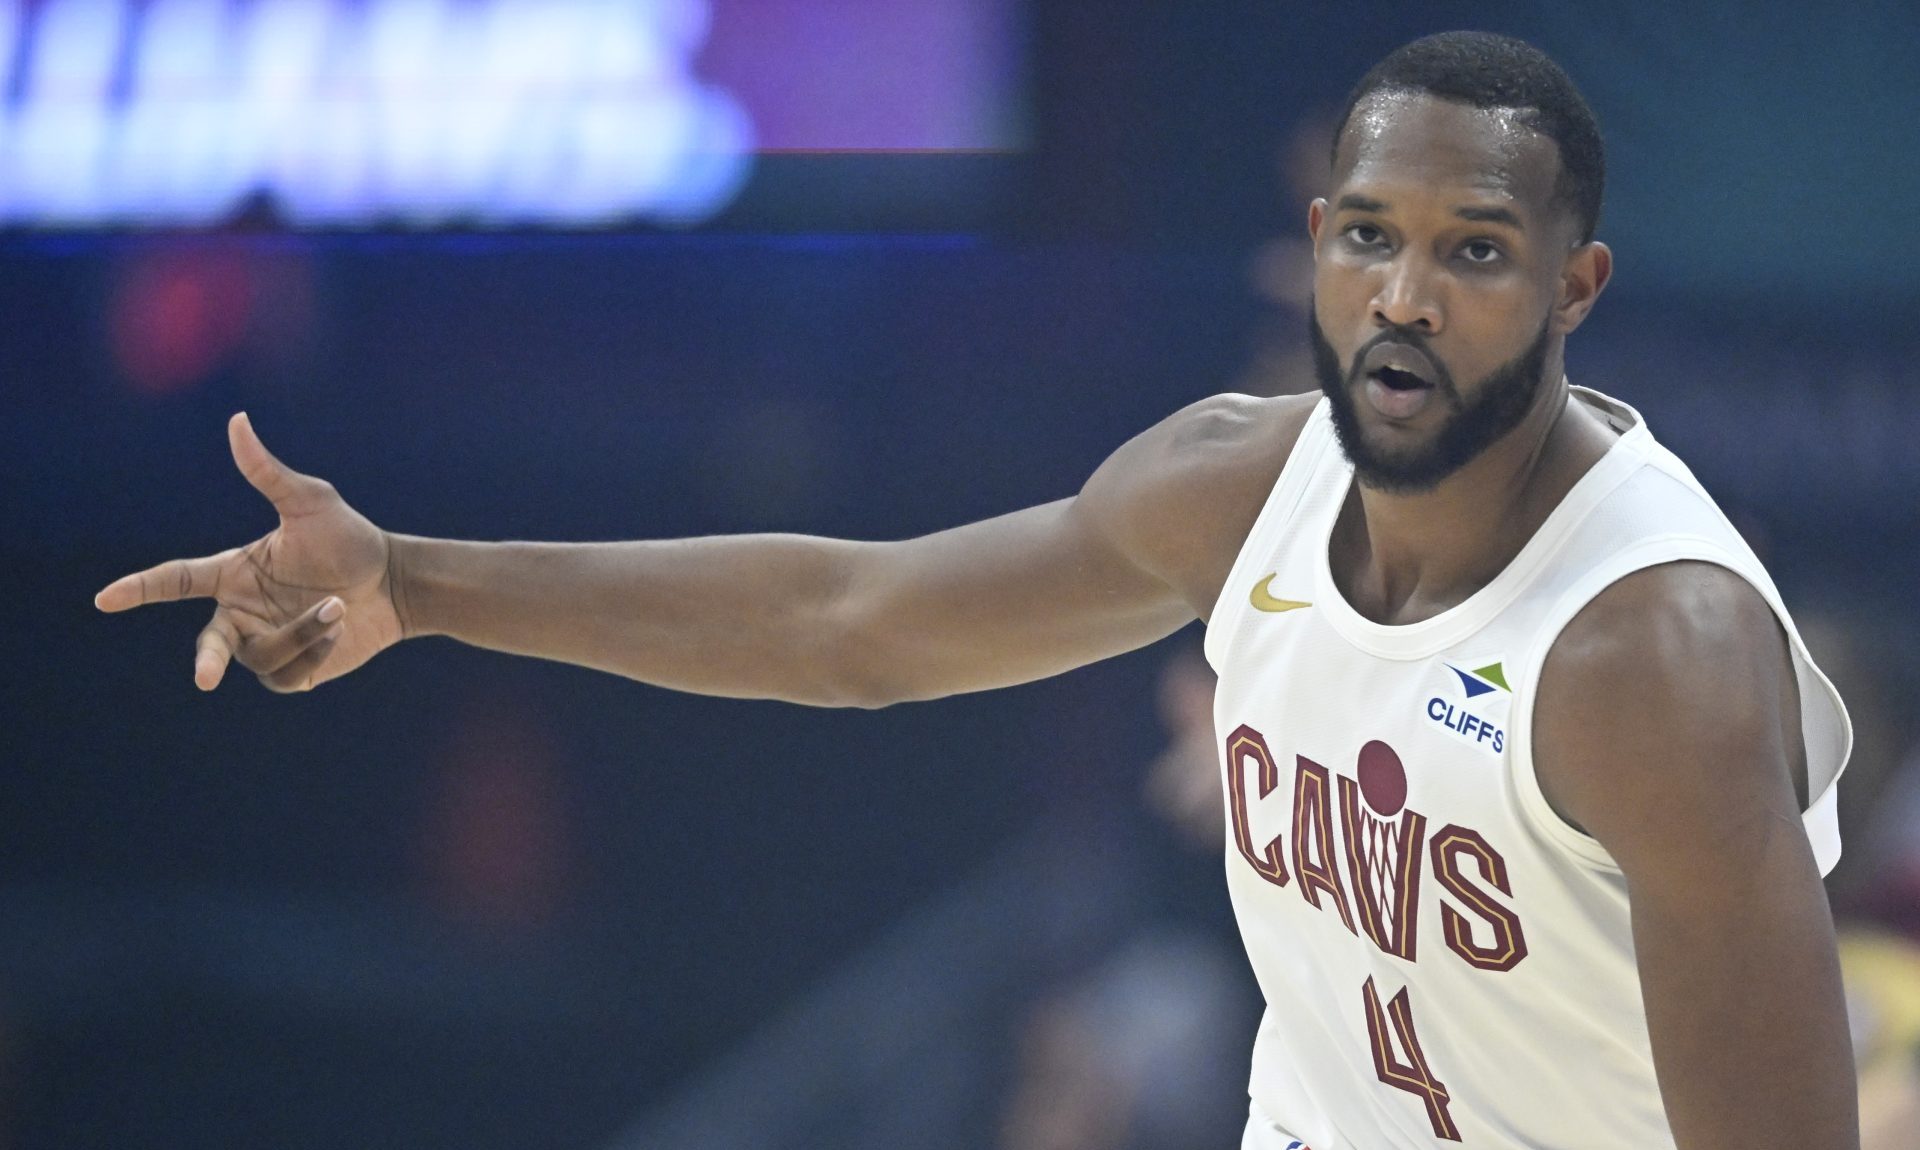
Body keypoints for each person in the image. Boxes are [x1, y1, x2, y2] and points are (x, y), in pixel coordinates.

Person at [96, 31, 1857, 1150]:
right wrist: (415, 579)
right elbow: (850, 622)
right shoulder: (1241, 481)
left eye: (1473, 252)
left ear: (1578, 285)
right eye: (1367, 235)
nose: (1404, 294)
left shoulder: (1656, 656)